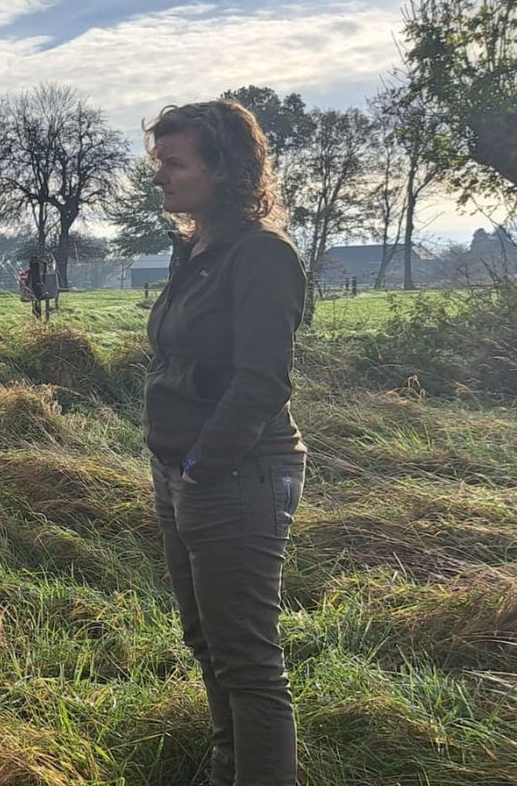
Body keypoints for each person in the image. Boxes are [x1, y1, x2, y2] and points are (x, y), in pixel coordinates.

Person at [144, 99, 309, 786]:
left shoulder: (262, 256)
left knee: (249, 663)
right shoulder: (197, 249)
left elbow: (262, 379)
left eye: (174, 164)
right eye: (160, 163)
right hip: (183, 470)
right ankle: (226, 773)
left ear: (223, 168)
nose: (160, 178)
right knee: (207, 644)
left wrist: (202, 467)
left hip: (236, 474)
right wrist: (174, 463)